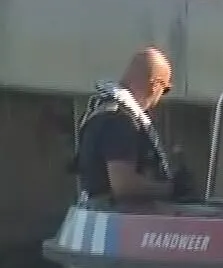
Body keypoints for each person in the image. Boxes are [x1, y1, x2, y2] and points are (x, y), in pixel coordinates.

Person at [69, 47, 188, 210]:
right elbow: (123, 184)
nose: (161, 97)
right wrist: (172, 189)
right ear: (155, 85)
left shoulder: (102, 111)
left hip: (93, 216)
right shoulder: (121, 120)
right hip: (115, 223)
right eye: (165, 89)